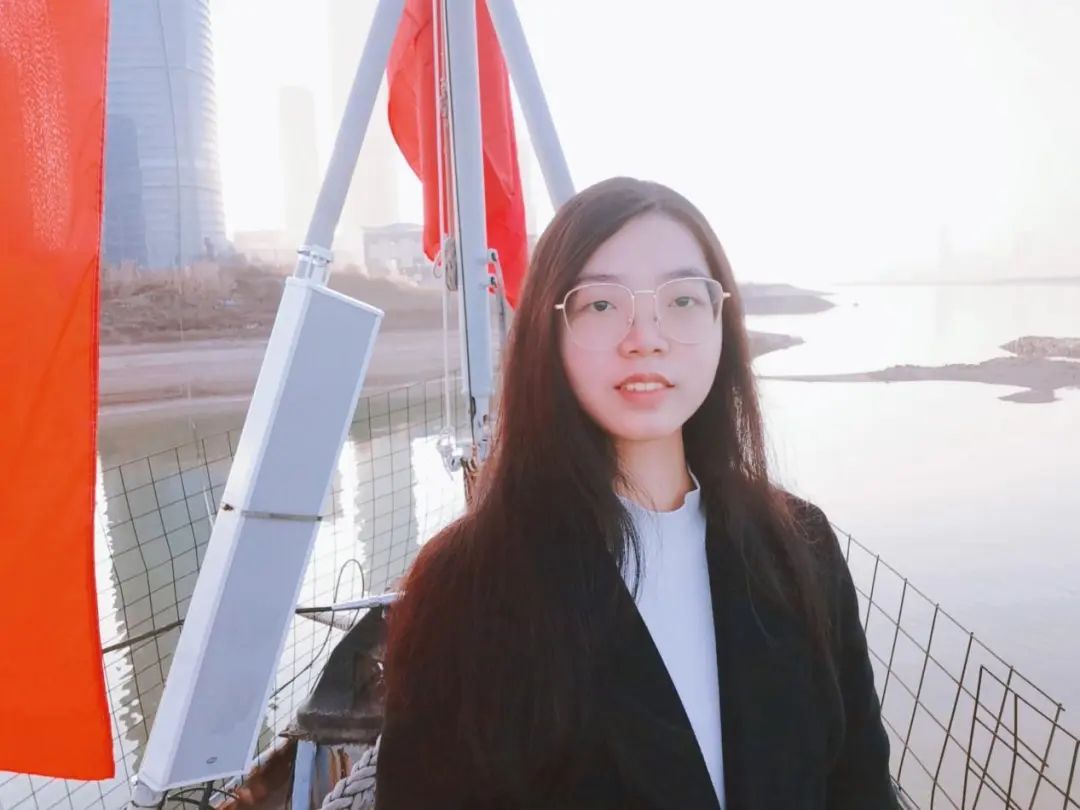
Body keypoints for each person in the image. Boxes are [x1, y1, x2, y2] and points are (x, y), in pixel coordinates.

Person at [374, 177, 897, 809]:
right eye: (600, 305)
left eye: (682, 300)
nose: (645, 336)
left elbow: (860, 783)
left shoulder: (799, 547)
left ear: (721, 322)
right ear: (548, 332)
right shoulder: (466, 585)